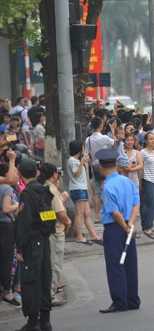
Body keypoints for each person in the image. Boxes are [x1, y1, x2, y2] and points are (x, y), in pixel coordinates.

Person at [14, 157, 56, 331]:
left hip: (32, 243)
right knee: (45, 278)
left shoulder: (27, 194)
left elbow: (24, 223)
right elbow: (49, 216)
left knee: (31, 280)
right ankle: (45, 320)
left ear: (20, 174)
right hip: (44, 240)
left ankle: (33, 321)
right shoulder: (43, 191)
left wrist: (20, 247)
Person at [97, 149, 141, 314]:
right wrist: (131, 223)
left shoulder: (107, 187)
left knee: (116, 265)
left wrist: (124, 226)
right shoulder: (127, 181)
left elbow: (114, 212)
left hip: (115, 229)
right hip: (129, 225)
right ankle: (132, 299)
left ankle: (119, 301)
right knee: (130, 263)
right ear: (115, 165)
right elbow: (136, 204)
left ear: (101, 168)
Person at [38, 163, 71, 308]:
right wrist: (68, 222)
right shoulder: (52, 190)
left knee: (47, 264)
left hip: (44, 230)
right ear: (54, 175)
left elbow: (47, 213)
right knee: (55, 265)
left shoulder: (40, 188)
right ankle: (50, 296)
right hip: (56, 230)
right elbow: (60, 213)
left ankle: (46, 294)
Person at [67, 141, 102, 245]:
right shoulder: (72, 161)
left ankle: (93, 234)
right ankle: (79, 236)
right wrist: (82, 162)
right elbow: (77, 174)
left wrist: (86, 161)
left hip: (82, 188)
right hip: (77, 189)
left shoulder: (77, 160)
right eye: (82, 148)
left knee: (87, 213)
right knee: (80, 214)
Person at [86, 116, 117, 223]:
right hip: (105, 164)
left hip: (95, 166)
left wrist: (91, 165)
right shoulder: (104, 138)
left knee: (97, 191)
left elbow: (87, 155)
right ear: (101, 125)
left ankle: (97, 215)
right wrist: (113, 131)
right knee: (109, 188)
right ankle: (108, 212)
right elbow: (115, 144)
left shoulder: (88, 139)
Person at [0, 159, 20, 307]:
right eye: (13, 171)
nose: (16, 175)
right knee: (7, 261)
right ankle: (7, 292)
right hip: (6, 228)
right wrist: (19, 204)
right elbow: (6, 209)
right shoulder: (6, 189)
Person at [140, 132, 154, 239]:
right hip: (147, 179)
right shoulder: (142, 153)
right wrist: (140, 182)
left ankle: (150, 225)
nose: (153, 141)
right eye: (150, 139)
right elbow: (141, 168)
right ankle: (147, 227)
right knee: (150, 203)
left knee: (153, 203)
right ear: (145, 141)